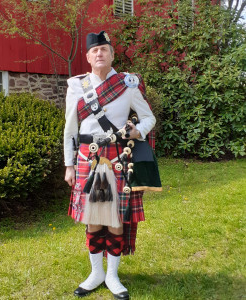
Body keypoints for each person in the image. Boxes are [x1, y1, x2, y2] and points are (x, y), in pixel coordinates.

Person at [64, 30, 157, 300]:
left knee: (116, 219)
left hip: (118, 156)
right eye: (95, 50)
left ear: (112, 55)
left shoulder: (128, 85)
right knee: (93, 219)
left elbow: (148, 118)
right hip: (86, 157)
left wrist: (137, 132)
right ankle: (96, 274)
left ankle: (113, 276)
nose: (99, 53)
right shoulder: (76, 86)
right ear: (88, 57)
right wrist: (68, 165)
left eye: (104, 49)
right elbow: (70, 129)